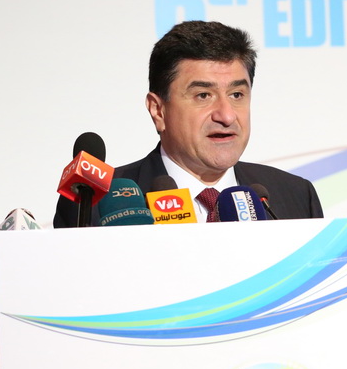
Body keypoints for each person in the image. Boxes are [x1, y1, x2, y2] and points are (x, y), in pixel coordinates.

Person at [54, 21, 323, 227]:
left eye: (236, 95)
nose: (227, 116)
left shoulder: (294, 196)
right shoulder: (95, 201)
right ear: (158, 110)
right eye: (203, 95)